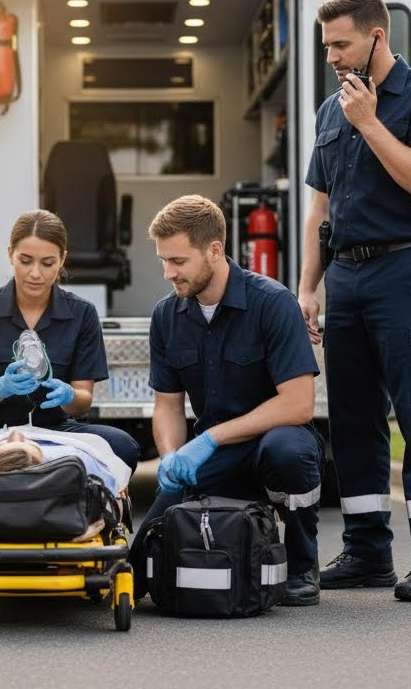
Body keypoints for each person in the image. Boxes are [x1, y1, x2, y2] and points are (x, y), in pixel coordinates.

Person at [298, 0, 411, 602]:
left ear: (377, 36)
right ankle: (367, 553)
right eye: (327, 47)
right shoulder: (329, 109)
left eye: (341, 44)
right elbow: (321, 208)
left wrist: (369, 123)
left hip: (407, 273)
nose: (332, 57)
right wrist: (308, 286)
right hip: (346, 277)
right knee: (352, 419)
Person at [131, 195, 324, 607]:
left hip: (270, 446)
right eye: (163, 261)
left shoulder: (272, 303)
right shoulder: (166, 317)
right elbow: (167, 405)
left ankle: (302, 565)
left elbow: (299, 404)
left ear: (214, 250)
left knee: (289, 452)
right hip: (215, 457)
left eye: (178, 261)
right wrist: (171, 456)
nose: (168, 273)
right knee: (138, 569)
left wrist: (209, 439)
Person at [0, 209, 140, 472]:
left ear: (62, 259)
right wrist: (1, 388)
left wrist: (68, 395)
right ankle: (52, 470)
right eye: (25, 261)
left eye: (47, 263)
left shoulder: (82, 313)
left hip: (56, 431)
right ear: (10, 254)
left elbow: (82, 401)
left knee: (123, 446)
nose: (35, 273)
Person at [0, 426, 132, 500]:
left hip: (54, 424)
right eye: (27, 442)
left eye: (6, 444)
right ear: (43, 457)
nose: (17, 433)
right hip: (58, 436)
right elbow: (115, 496)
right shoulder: (75, 460)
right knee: (122, 445)